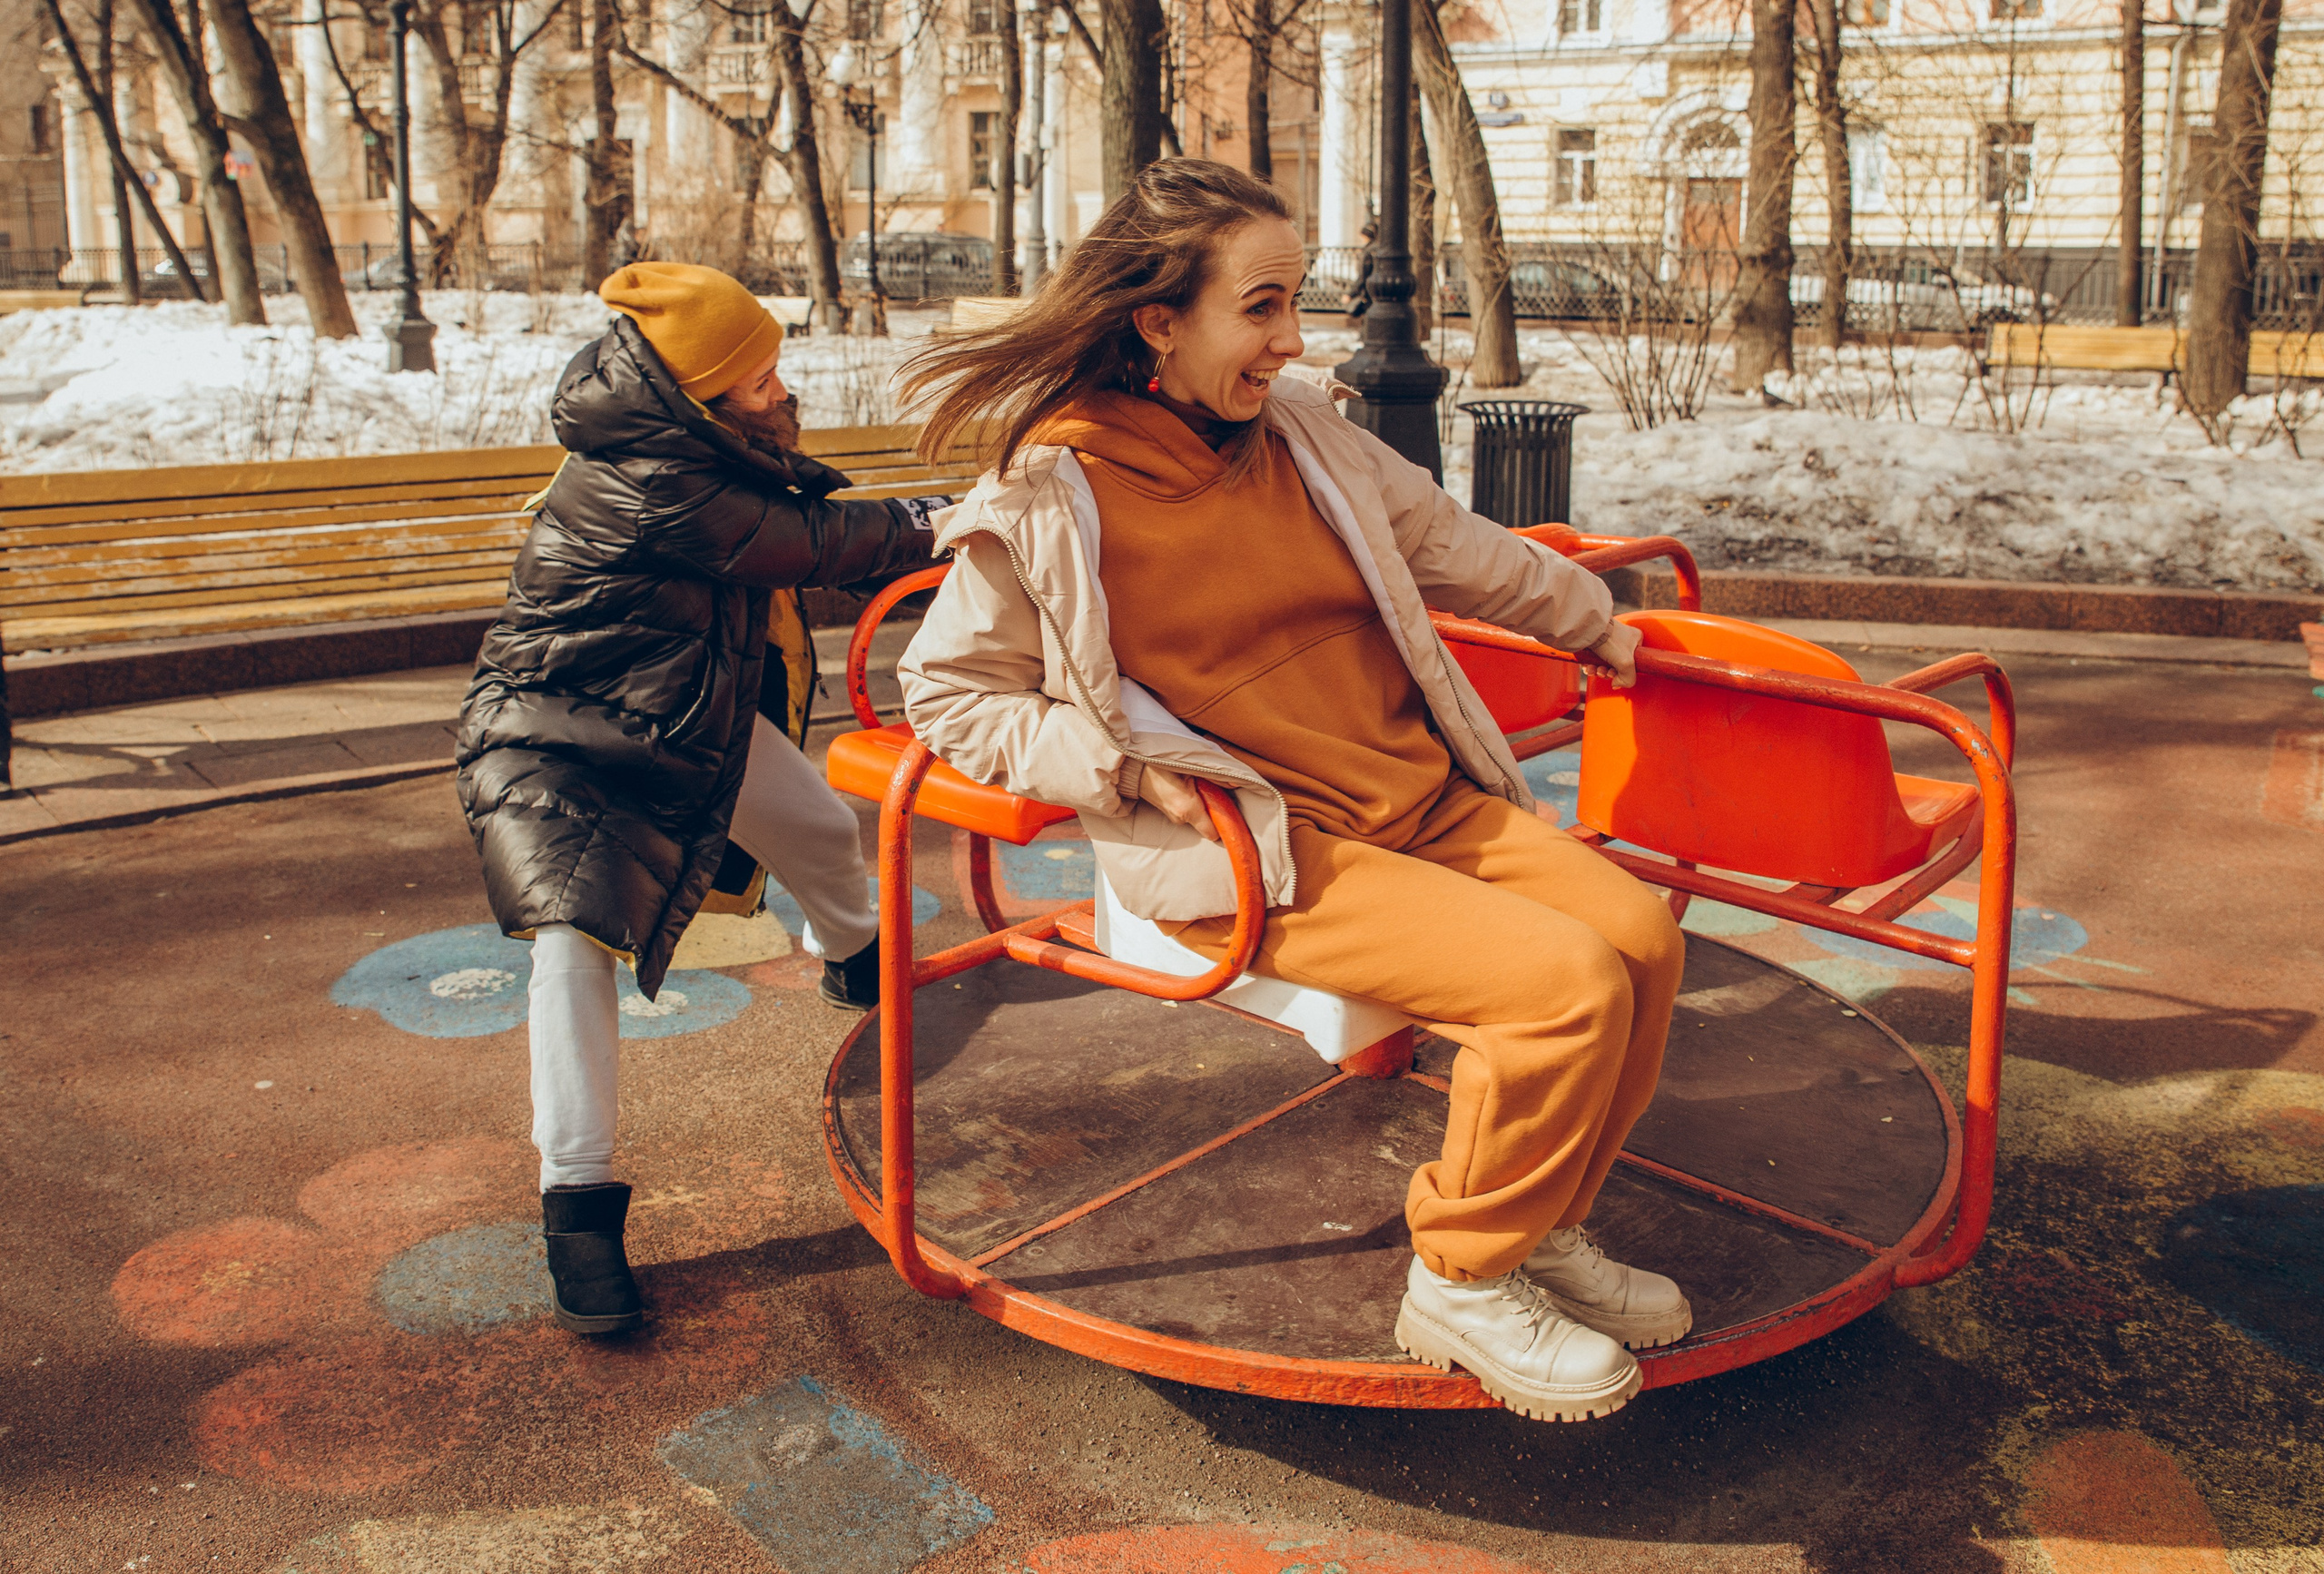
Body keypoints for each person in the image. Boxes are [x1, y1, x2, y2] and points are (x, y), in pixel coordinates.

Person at [892, 161, 1688, 1423]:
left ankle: (1539, 1223)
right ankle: (1462, 1277)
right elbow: (947, 694)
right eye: (1261, 306)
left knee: (1642, 936)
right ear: (1162, 320)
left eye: (1294, 301)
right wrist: (1114, 763)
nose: (1291, 337)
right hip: (1268, 848)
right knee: (1564, 989)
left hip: (1416, 799)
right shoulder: (1057, 492)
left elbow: (1451, 543)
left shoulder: (1304, 436)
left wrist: (1597, 618)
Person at [457, 262, 946, 1335]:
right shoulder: (651, 479)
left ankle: (858, 961)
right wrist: (947, 517)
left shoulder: (695, 446)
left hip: (677, 716)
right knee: (572, 943)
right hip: (555, 738)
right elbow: (813, 544)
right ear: (704, 392)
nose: (784, 389)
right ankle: (576, 1209)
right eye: (762, 375)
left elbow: (804, 533)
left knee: (818, 827)